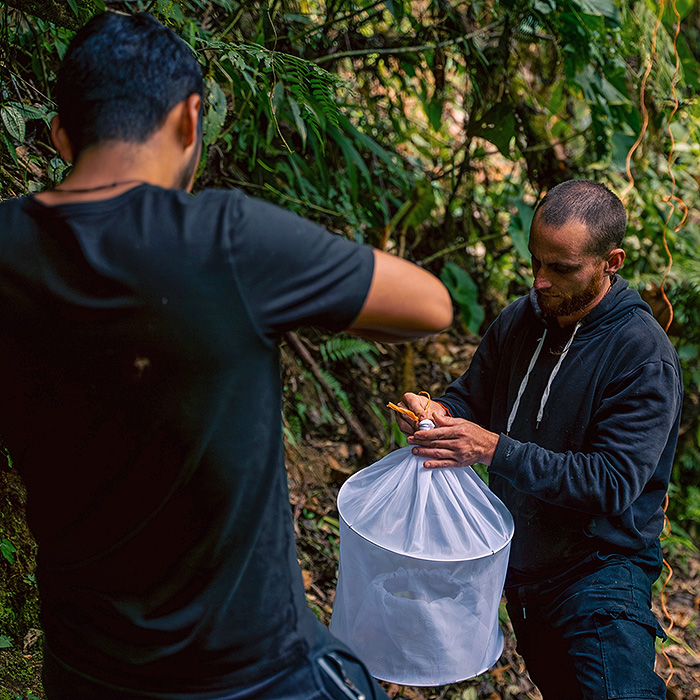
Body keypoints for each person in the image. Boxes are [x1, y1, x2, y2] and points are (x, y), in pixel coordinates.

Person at [0, 12, 453, 700]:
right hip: (252, 674)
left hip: (88, 670)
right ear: (190, 121)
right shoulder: (228, 241)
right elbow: (429, 306)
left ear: (60, 132)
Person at [398, 179, 682, 700]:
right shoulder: (521, 320)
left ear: (609, 261)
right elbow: (471, 401)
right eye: (536, 261)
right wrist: (438, 415)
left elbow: (612, 483)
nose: (541, 281)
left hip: (601, 575)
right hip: (524, 571)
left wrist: (490, 448)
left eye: (562, 268)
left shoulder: (642, 353)